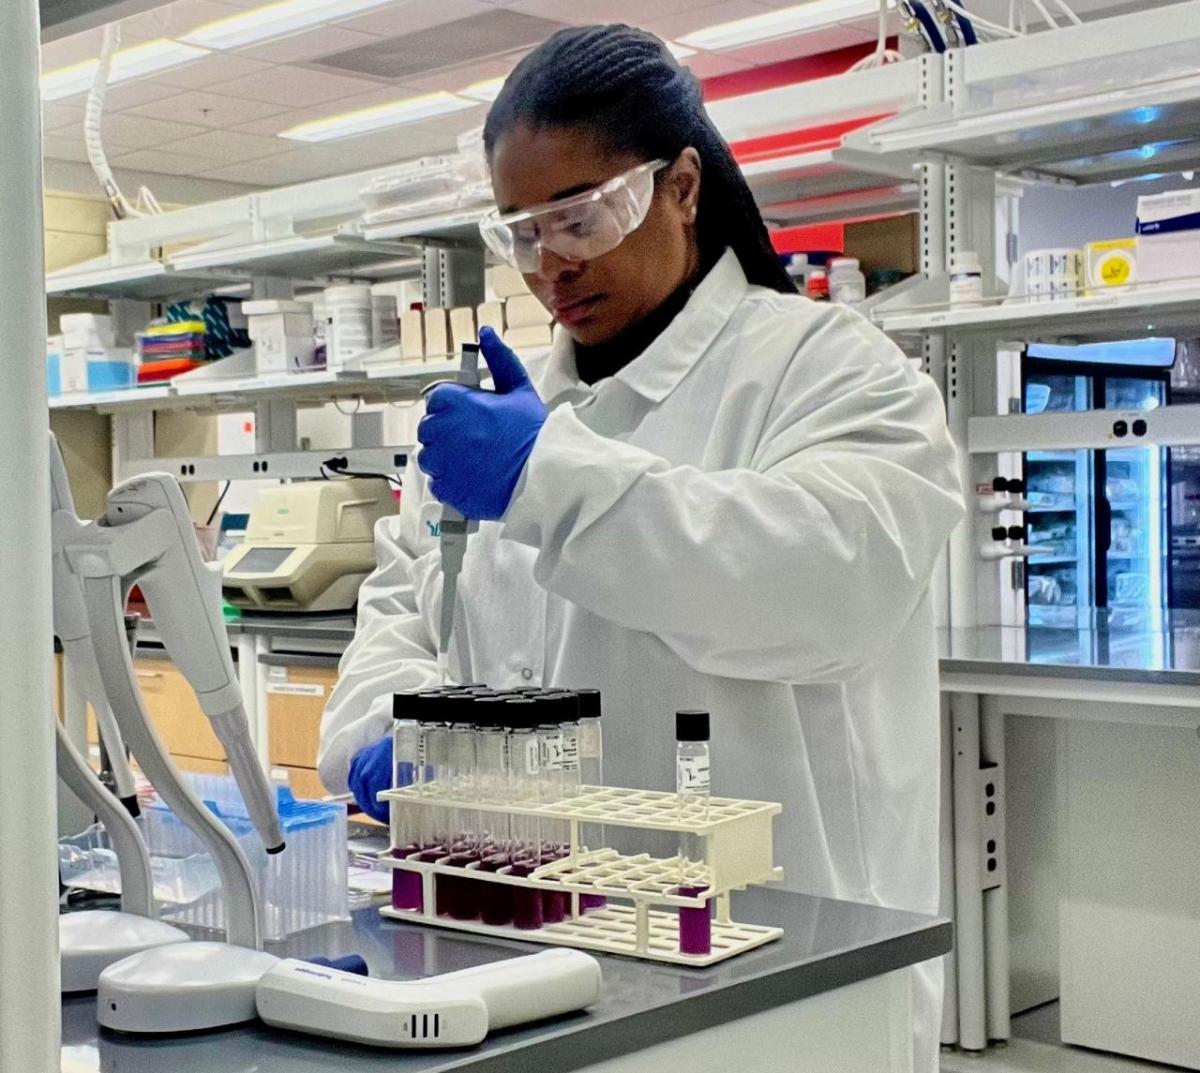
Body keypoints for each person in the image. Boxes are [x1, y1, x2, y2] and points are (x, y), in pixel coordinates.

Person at [319, 24, 963, 1071]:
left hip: (785, 981)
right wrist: (380, 738)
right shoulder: (500, 411)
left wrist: (547, 483)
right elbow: (402, 618)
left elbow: (824, 587)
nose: (553, 264)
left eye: (581, 215)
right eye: (523, 234)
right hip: (537, 962)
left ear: (683, 187)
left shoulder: (832, 371)